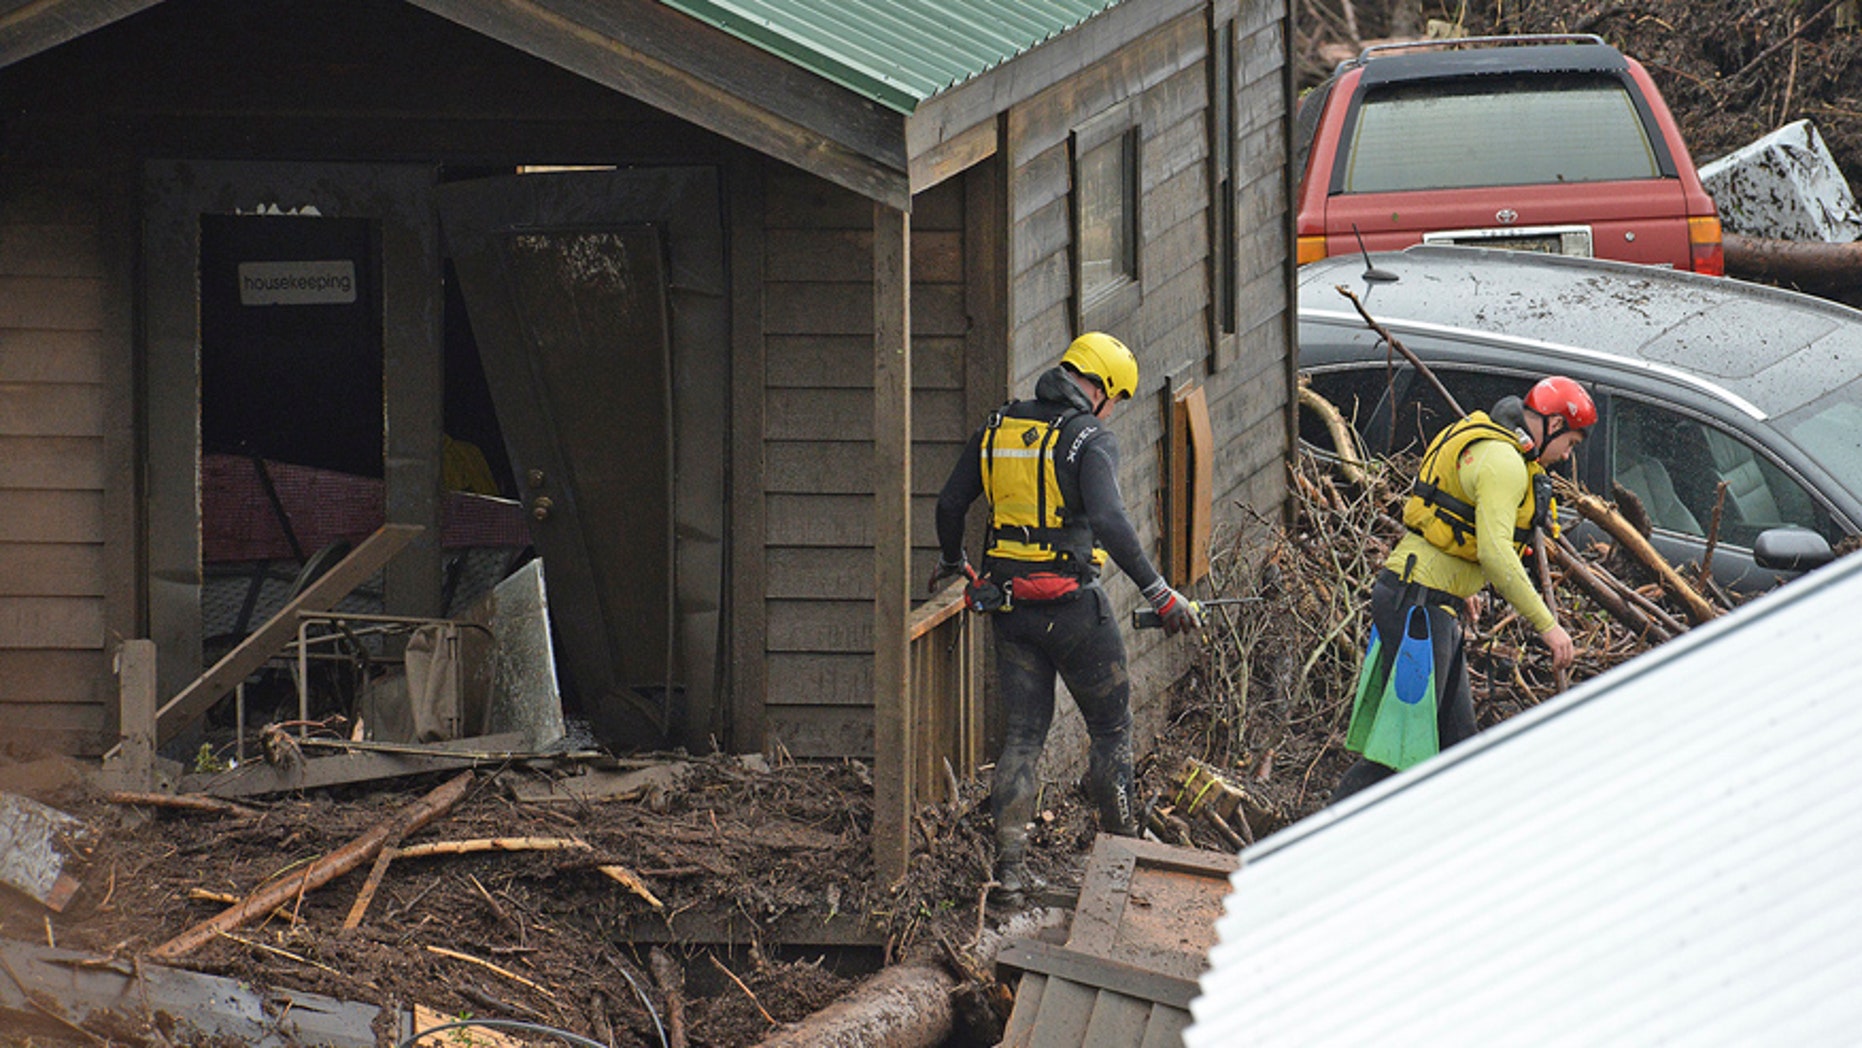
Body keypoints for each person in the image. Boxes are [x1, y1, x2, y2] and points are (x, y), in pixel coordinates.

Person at [930, 332, 1200, 906]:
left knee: (1024, 736)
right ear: (1100, 387)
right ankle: (1123, 860)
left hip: (1009, 610)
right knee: (1111, 732)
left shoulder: (998, 427)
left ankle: (1009, 875)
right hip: (1075, 612)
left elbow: (951, 504)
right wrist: (1161, 594)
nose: (1113, 410)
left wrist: (955, 563)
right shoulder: (1088, 438)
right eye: (1116, 398)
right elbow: (1108, 518)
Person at [1331, 375, 1595, 803]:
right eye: (1571, 444)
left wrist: (1462, 586)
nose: (1567, 457)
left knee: (1459, 742)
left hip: (1432, 600)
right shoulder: (1505, 463)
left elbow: (1461, 533)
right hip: (1415, 605)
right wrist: (1548, 626)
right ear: (1554, 426)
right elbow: (1496, 554)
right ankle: (1329, 836)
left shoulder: (1500, 448)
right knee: (1400, 749)